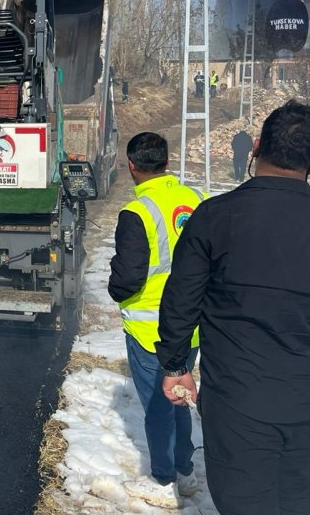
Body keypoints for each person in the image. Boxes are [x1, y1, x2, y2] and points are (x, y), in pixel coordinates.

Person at [157, 100, 310, 514]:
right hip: (306, 398)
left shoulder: (215, 217)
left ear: (255, 147)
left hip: (237, 397)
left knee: (243, 500)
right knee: (299, 498)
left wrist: (176, 365)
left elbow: (181, 299)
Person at [108, 132, 206, 508]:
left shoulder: (138, 212)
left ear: (132, 166)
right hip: (193, 325)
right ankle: (186, 472)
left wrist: (115, 288)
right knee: (179, 398)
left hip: (151, 329)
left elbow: (129, 277)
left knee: (158, 406)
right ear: (167, 162)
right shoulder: (196, 200)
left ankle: (164, 479)